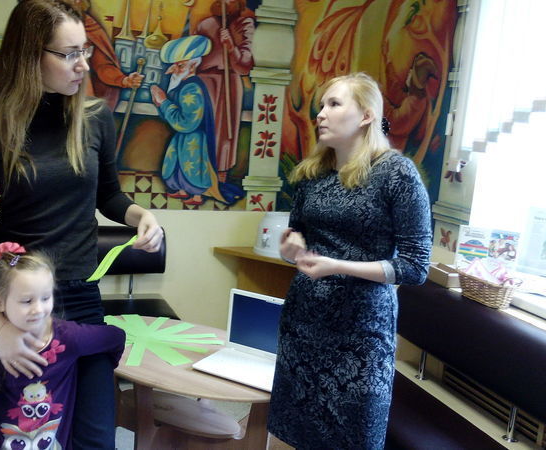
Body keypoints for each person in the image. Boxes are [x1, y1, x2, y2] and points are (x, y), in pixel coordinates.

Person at [0, 1, 163, 447]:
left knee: (95, 438)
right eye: (69, 53)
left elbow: (109, 196)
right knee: (28, 435)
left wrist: (141, 216)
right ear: (30, 55)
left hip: (80, 296)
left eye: (84, 50)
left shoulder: (95, 117)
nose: (83, 64)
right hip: (18, 304)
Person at [268, 72, 432, 448]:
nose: (321, 114)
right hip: (303, 324)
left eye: (334, 104)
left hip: (361, 333)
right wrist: (292, 249)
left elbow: (415, 266)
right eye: (321, 106)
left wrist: (338, 266)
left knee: (353, 438)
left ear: (366, 115)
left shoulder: (395, 173)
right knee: (296, 433)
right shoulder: (311, 174)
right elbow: (299, 239)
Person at [0, 243, 125, 448]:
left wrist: (103, 365)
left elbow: (115, 337)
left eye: (45, 298)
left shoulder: (68, 337)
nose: (38, 309)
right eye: (27, 301)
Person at [150, 34, 224, 207]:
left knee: (192, 166)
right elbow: (172, 117)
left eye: (180, 65)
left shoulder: (192, 88)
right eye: (174, 65)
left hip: (193, 138)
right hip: (183, 137)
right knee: (177, 164)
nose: (174, 69)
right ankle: (182, 190)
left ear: (193, 65)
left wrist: (164, 102)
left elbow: (187, 122)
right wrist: (161, 103)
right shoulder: (182, 85)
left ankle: (197, 196)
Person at [194, 0, 255, 182]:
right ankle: (196, 178)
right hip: (204, 82)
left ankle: (220, 179)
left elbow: (245, 66)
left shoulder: (244, 24)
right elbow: (193, 55)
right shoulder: (205, 25)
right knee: (200, 129)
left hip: (229, 82)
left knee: (224, 133)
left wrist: (230, 46)